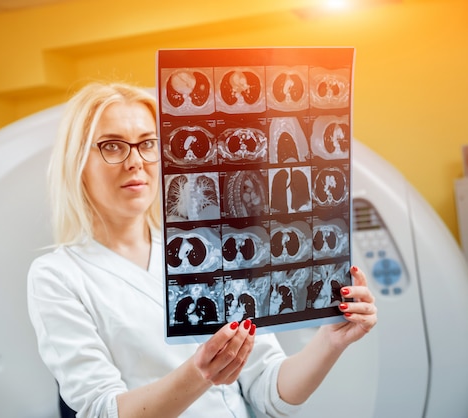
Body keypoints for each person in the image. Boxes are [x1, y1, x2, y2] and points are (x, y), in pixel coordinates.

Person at [26, 81, 378, 418]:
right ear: (77, 163)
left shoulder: (211, 250)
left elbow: (270, 393)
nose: (136, 161)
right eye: (113, 145)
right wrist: (199, 373)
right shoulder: (58, 276)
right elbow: (103, 412)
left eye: (147, 143)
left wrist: (330, 342)